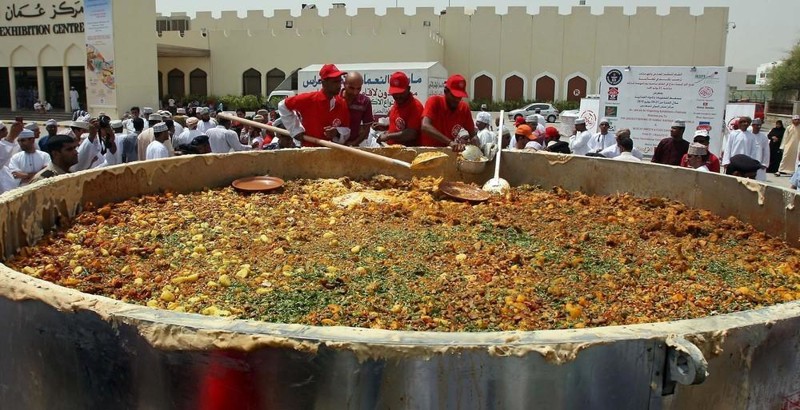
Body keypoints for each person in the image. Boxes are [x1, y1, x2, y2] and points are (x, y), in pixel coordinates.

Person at [277, 64, 351, 148]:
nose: (339, 85)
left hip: (333, 153)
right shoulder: (308, 99)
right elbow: (282, 105)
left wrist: (337, 132)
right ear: (324, 83)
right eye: (335, 82)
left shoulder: (342, 103)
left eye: (339, 81)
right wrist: (296, 131)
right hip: (310, 152)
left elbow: (347, 130)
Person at [420, 74, 477, 152]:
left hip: (448, 153)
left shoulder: (464, 108)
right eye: (454, 96)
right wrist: (450, 142)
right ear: (445, 91)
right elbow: (425, 126)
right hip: (429, 152)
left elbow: (473, 134)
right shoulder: (434, 101)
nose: (457, 100)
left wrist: (476, 142)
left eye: (460, 96)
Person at [374, 71, 424, 146]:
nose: (398, 97)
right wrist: (386, 127)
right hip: (393, 149)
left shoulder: (415, 106)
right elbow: (399, 125)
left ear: (408, 89)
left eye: (401, 93)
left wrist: (388, 136)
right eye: (395, 94)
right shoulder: (398, 103)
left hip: (409, 152)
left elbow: (411, 133)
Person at [722, 116, 769, 181]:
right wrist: (726, 161)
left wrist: (752, 165)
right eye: (743, 122)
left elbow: (753, 151)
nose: (745, 124)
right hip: (733, 162)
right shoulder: (733, 134)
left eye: (747, 122)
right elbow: (728, 148)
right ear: (739, 123)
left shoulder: (751, 136)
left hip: (745, 164)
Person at [341, 72, 374, 146]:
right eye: (351, 88)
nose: (355, 92)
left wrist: (354, 143)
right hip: (333, 145)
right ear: (344, 84)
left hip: (353, 146)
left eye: (358, 88)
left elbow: (366, 129)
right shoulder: (335, 99)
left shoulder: (365, 102)